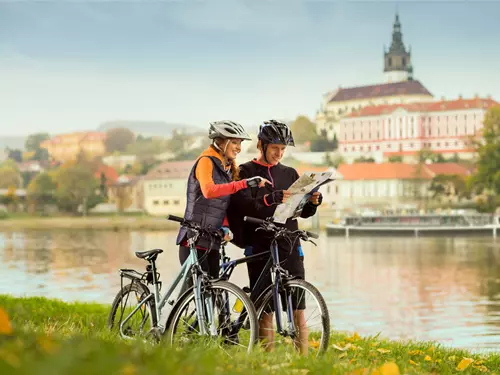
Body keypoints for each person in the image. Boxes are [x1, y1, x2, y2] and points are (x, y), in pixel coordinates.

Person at [227, 119, 323, 355]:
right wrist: (270, 199)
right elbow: (241, 206)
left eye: (283, 149)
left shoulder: (289, 172)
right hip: (259, 243)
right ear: (261, 145)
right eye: (274, 149)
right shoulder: (246, 171)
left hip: (289, 240)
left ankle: (305, 361)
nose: (279, 153)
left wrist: (313, 203)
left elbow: (300, 211)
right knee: (264, 308)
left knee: (298, 305)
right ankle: (265, 361)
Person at [176, 120, 270, 286]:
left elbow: (222, 203)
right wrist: (245, 183)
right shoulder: (206, 161)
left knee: (212, 292)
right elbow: (209, 191)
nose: (239, 148)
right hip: (193, 238)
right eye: (234, 142)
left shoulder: (225, 168)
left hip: (212, 238)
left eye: (240, 143)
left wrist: (225, 225)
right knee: (195, 293)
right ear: (220, 142)